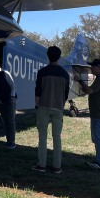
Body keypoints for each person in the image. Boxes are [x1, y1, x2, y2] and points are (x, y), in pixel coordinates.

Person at [33, 46, 70, 174]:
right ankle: (57, 166)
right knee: (57, 138)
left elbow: (38, 91)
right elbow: (66, 94)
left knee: (42, 137)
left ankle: (41, 165)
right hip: (58, 108)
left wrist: (37, 106)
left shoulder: (42, 72)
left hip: (43, 107)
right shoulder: (65, 74)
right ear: (59, 57)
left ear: (47, 56)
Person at [76, 58, 100, 170]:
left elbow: (89, 91)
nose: (91, 68)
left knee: (98, 138)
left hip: (98, 114)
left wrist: (80, 81)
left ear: (98, 68)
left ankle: (99, 162)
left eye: (92, 67)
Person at [0, 59, 17, 148]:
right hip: (2, 102)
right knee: (5, 121)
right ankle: (8, 141)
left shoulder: (5, 73)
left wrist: (11, 97)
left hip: (10, 100)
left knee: (11, 121)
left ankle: (12, 142)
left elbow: (13, 85)